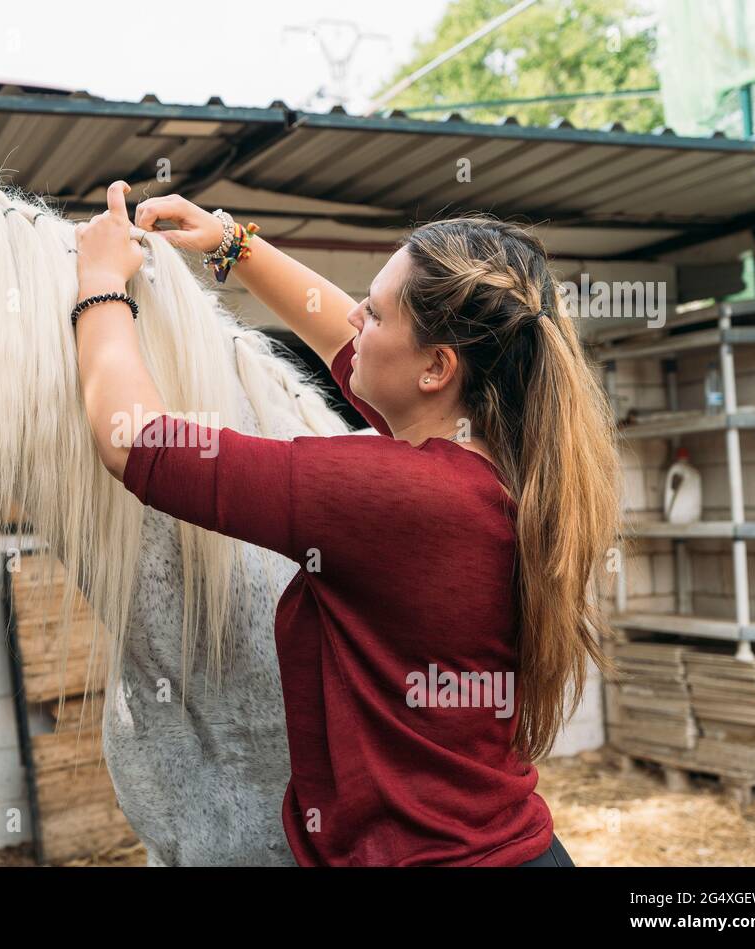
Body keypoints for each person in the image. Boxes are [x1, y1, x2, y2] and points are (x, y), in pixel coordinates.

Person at [71, 181, 620, 866]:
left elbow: (138, 444)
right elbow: (347, 336)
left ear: (436, 368)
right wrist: (231, 243)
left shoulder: (398, 494)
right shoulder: (496, 456)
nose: (356, 315)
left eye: (379, 313)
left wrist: (98, 285)